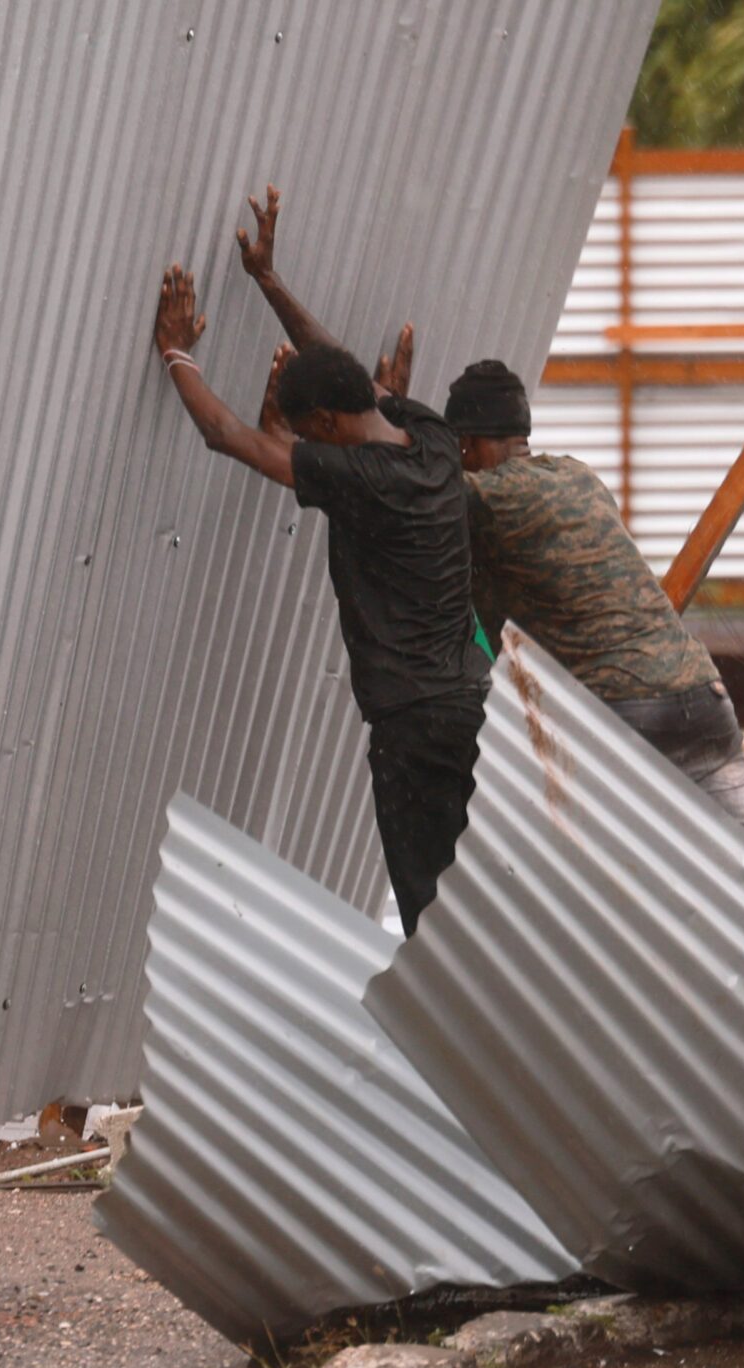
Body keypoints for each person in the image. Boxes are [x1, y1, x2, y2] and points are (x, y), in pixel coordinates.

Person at [233, 188, 744, 842]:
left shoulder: (477, 497)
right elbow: (359, 397)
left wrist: (270, 287)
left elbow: (347, 395)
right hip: (702, 701)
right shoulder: (579, 478)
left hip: (625, 714)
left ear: (466, 445)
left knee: (584, 890)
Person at [148, 261, 487, 936]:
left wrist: (175, 350)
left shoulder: (358, 477)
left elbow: (228, 437)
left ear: (328, 425)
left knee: (432, 917)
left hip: (414, 728)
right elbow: (352, 376)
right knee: (480, 900)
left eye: (305, 432)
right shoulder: (431, 438)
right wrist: (268, 281)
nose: (298, 444)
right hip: (474, 707)